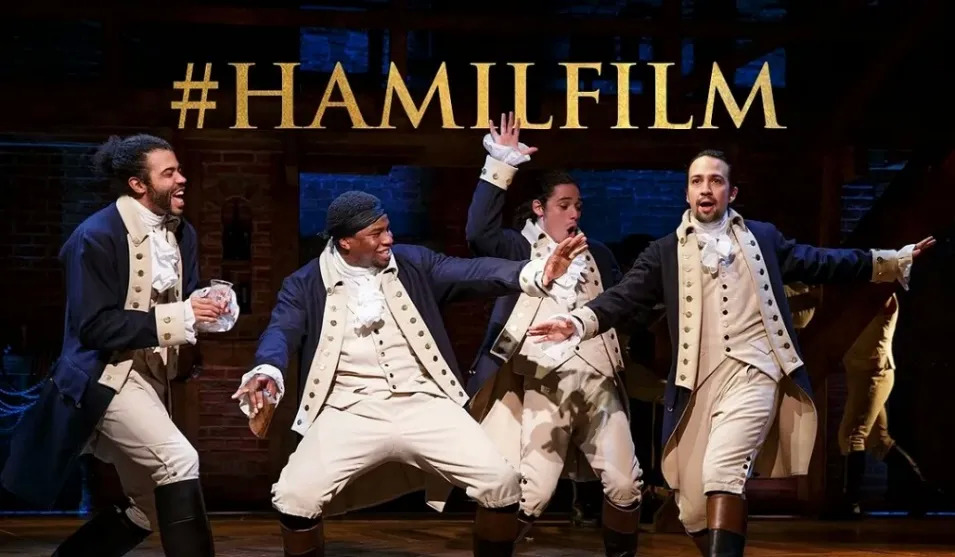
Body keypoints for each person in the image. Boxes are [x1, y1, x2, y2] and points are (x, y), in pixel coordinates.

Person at [526, 149, 934, 556]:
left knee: (723, 473)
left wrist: (889, 262)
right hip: (697, 383)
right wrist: (577, 322)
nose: (706, 188)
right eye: (697, 181)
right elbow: (623, 298)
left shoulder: (763, 238)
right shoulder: (664, 251)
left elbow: (820, 262)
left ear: (731, 192)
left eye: (716, 181)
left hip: (754, 372)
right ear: (687, 193)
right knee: (691, 510)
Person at [232, 190, 587, 557]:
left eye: (388, 228)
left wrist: (535, 272)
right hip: (347, 409)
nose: (389, 239)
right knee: (294, 497)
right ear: (345, 242)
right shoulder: (305, 282)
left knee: (501, 482)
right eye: (376, 233)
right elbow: (281, 330)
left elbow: (473, 271)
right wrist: (268, 368)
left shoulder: (413, 262)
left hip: (426, 403)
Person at [1, 134, 235, 557]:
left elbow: (182, 298)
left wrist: (208, 304)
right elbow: (94, 327)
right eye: (169, 173)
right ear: (138, 184)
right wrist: (182, 316)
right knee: (179, 459)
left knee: (149, 504)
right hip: (105, 376)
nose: (182, 179)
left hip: (153, 379)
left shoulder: (182, 233)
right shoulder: (96, 235)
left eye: (179, 170)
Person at [462, 113, 645, 556]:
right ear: (540, 209)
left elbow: (622, 307)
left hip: (600, 383)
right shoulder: (517, 249)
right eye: (564, 205)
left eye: (577, 205)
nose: (574, 213)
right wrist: (501, 163)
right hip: (543, 383)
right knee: (533, 493)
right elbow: (478, 233)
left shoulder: (599, 254)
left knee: (625, 484)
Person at [784, 284, 944, 518]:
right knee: (878, 441)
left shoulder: (881, 295)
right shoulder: (857, 294)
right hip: (861, 373)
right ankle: (922, 493)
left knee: (851, 435)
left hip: (874, 374)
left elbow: (849, 303)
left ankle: (850, 503)